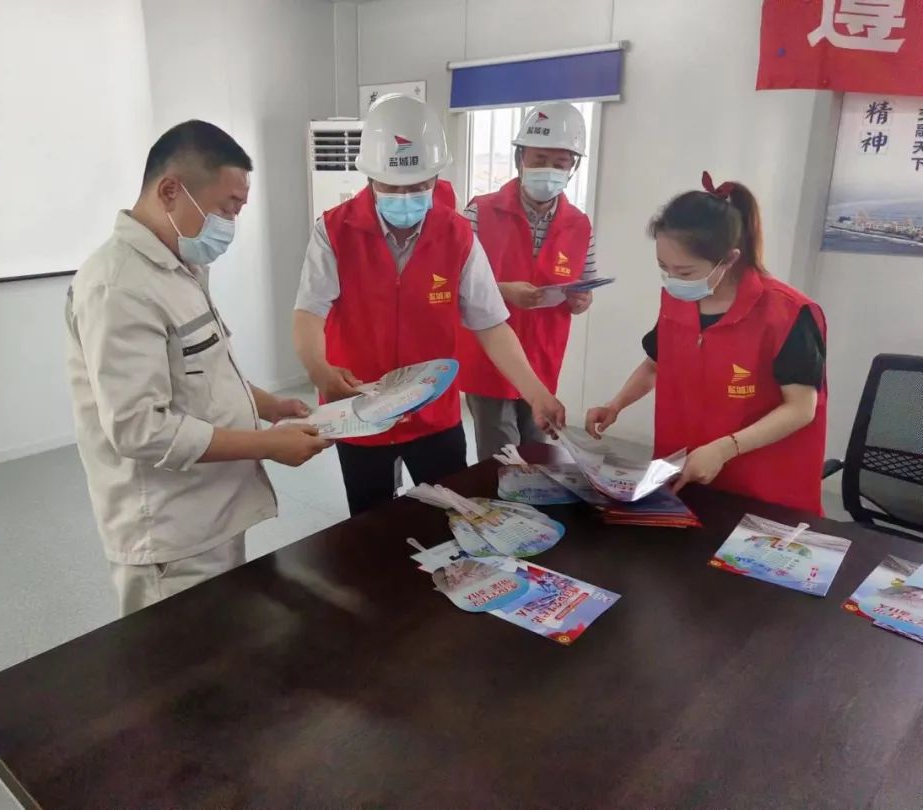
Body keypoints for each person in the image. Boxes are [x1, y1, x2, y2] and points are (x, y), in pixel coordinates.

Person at [66, 120, 331, 615]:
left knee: (225, 642)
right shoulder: (118, 286)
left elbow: (203, 369)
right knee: (180, 656)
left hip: (213, 511)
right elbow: (139, 428)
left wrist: (269, 405)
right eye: (227, 208)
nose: (230, 224)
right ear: (171, 191)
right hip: (169, 533)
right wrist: (268, 445)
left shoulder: (180, 265)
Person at [293, 95, 566, 515]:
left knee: (452, 515)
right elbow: (310, 311)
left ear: (436, 175)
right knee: (370, 523)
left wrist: (537, 393)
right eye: (392, 187)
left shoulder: (456, 234)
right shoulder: (334, 231)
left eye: (419, 185)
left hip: (434, 415)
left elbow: (491, 324)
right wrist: (319, 370)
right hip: (362, 409)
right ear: (370, 176)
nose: (406, 196)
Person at [585, 172, 827, 513]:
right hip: (684, 472)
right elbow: (656, 365)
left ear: (729, 259)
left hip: (757, 485)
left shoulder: (786, 313)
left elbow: (801, 407)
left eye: (684, 272)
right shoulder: (677, 300)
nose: (672, 280)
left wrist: (725, 448)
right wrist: (615, 405)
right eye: (663, 267)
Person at [457, 102, 597, 460]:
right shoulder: (479, 212)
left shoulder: (579, 225)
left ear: (573, 167)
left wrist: (581, 300)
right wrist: (504, 292)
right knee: (501, 456)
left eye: (560, 163)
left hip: (543, 355)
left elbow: (586, 284)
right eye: (539, 159)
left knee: (537, 454)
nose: (549, 169)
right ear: (520, 158)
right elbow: (455, 284)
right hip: (489, 358)